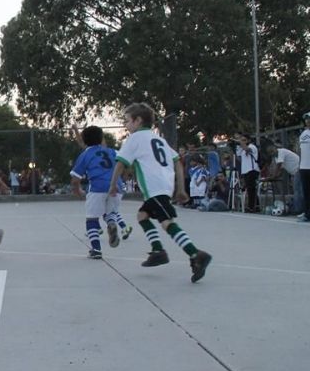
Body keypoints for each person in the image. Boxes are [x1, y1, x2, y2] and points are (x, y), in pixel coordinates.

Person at [109, 102, 212, 283]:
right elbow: (177, 161)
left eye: (127, 121)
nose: (126, 125)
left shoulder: (135, 139)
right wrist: (180, 188)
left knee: (166, 223)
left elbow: (120, 163)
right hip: (164, 186)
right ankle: (158, 251)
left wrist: (113, 185)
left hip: (154, 188)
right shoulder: (158, 139)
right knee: (142, 215)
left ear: (138, 121)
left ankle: (196, 254)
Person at [70, 126, 123, 259]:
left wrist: (78, 191)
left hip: (97, 187)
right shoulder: (111, 151)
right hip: (116, 187)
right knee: (109, 213)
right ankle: (111, 223)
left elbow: (75, 179)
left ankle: (96, 249)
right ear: (101, 138)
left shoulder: (85, 154)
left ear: (84, 140)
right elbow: (124, 163)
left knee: (91, 219)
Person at [235, 133, 260, 213]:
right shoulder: (242, 149)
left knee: (251, 189)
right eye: (242, 140)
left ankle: (251, 207)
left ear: (249, 140)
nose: (242, 141)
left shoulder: (252, 146)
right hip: (245, 170)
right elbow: (239, 159)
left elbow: (248, 150)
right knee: (249, 189)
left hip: (252, 170)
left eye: (244, 140)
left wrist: (241, 143)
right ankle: (256, 206)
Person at [299, 112, 310, 222]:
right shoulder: (303, 134)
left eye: (309, 119)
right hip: (304, 167)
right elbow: (300, 150)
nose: (307, 121)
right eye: (306, 119)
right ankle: (307, 214)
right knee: (306, 193)